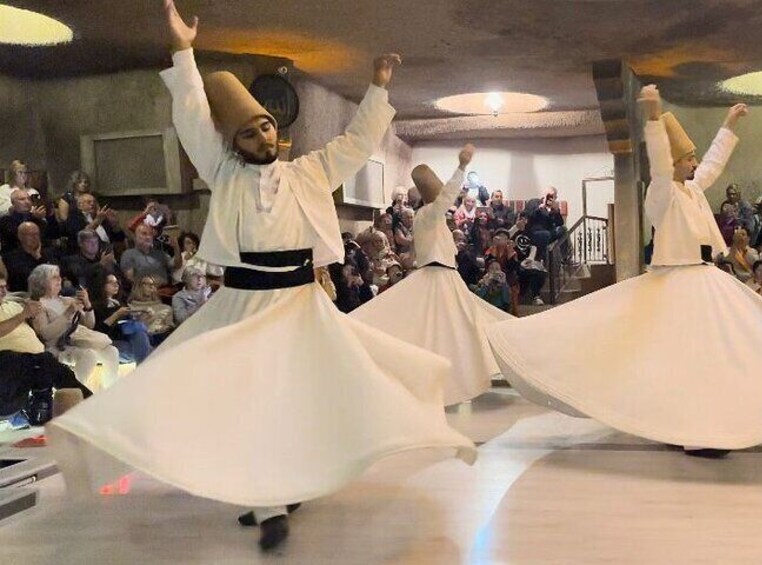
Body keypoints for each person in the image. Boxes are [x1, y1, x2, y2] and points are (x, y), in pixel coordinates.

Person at [47, 0, 474, 554]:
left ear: (278, 129)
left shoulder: (310, 172)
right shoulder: (222, 173)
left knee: (312, 397)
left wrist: (378, 87)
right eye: (248, 132)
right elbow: (193, 119)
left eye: (267, 125)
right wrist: (183, 51)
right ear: (235, 142)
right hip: (244, 304)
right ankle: (270, 500)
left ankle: (283, 486)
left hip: (300, 303)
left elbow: (356, 144)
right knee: (240, 403)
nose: (261, 137)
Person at [486, 84, 762, 459]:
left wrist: (728, 124)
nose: (694, 163)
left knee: (709, 356)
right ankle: (691, 429)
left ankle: (697, 426)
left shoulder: (691, 190)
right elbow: (659, 167)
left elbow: (710, 166)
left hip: (702, 279)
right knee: (684, 360)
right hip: (675, 281)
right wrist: (654, 120)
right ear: (674, 162)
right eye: (687, 158)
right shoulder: (662, 194)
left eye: (692, 158)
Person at [353, 145, 512, 405]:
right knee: (448, 329)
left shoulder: (429, 217)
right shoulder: (428, 214)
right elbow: (446, 199)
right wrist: (461, 167)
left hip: (444, 277)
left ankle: (450, 379)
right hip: (438, 277)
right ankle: (445, 381)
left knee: (456, 329)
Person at [0, 272, 92, 425]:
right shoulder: (20, 311)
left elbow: (39, 332)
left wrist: (34, 316)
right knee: (39, 362)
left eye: (4, 287)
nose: (3, 291)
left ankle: (86, 404)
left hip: (32, 361)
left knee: (48, 365)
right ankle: (89, 403)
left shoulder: (14, 306)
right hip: (6, 363)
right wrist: (23, 315)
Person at [29, 264, 120, 392]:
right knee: (89, 355)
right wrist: (68, 313)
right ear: (41, 281)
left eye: (59, 277)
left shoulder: (66, 300)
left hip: (78, 340)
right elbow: (45, 334)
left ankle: (110, 393)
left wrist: (88, 305)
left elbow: (89, 325)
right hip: (58, 346)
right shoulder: (38, 305)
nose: (59, 280)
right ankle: (73, 394)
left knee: (112, 351)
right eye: (54, 277)